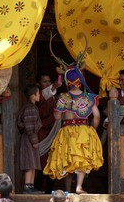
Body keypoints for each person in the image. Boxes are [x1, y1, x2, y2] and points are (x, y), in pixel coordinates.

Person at [43, 66, 103, 194]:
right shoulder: (88, 98)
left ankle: (68, 190)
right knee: (81, 159)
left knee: (69, 160)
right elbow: (97, 116)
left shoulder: (63, 97)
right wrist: (92, 130)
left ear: (67, 83)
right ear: (80, 81)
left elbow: (57, 116)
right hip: (83, 131)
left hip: (67, 131)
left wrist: (60, 110)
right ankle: (79, 187)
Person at [34, 72, 62, 193]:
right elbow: (44, 96)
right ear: (38, 84)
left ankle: (49, 191)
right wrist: (54, 86)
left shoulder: (53, 97)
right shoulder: (38, 96)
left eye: (49, 82)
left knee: (52, 161)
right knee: (41, 162)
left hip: (53, 132)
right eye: (44, 81)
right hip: (41, 133)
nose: (47, 84)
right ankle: (37, 189)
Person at [17, 84, 44, 194]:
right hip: (29, 139)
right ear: (33, 96)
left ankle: (31, 186)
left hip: (30, 138)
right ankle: (27, 187)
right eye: (38, 93)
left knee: (33, 163)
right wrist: (34, 141)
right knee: (29, 163)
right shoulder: (29, 108)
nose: (39, 95)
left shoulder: (33, 107)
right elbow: (29, 127)